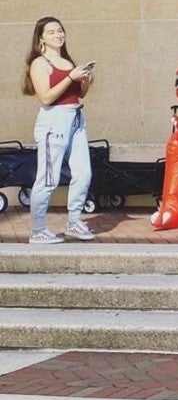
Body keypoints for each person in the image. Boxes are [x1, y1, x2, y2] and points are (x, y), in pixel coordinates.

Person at [21, 16, 96, 244]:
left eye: (60, 31)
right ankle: (38, 229)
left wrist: (84, 81)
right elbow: (45, 97)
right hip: (54, 122)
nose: (58, 35)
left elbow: (78, 95)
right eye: (51, 32)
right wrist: (70, 77)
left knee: (83, 174)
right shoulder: (40, 63)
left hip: (76, 119)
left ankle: (74, 221)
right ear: (41, 37)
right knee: (48, 178)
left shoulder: (67, 61)